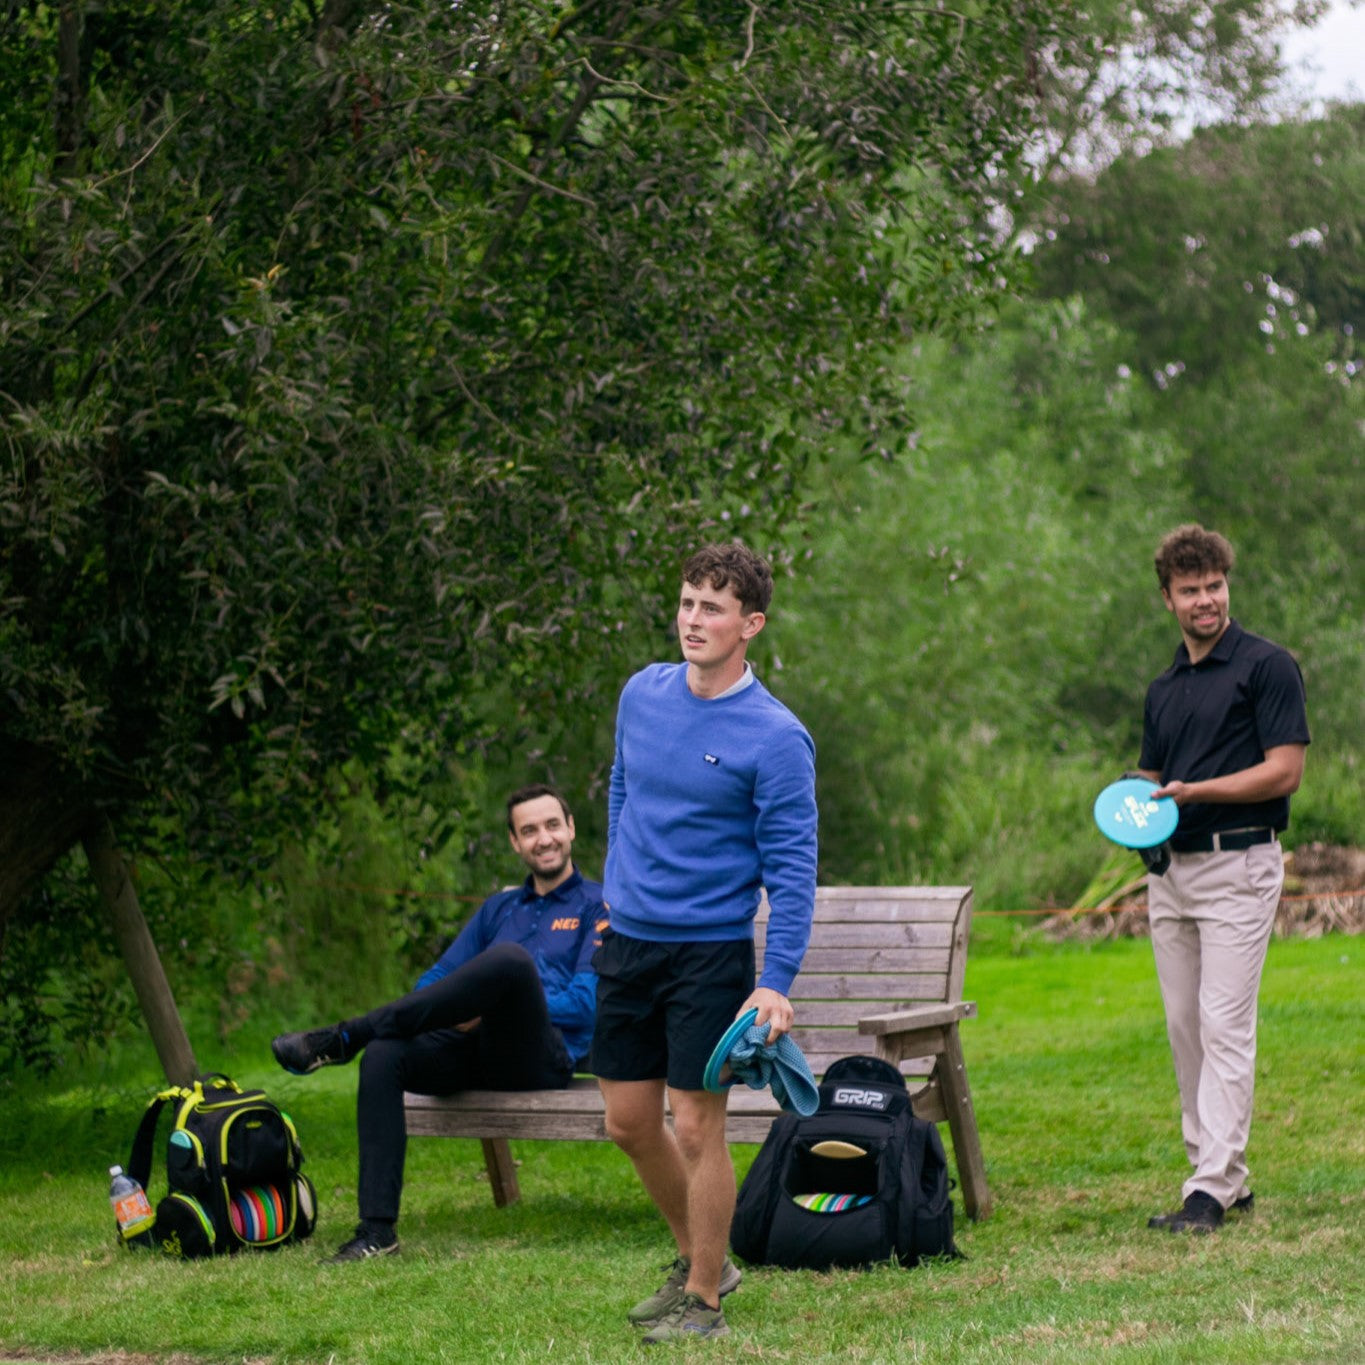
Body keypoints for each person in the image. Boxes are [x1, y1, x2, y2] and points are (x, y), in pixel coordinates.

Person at [593, 542, 818, 1343]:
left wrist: (776, 977)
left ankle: (704, 1300)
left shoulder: (776, 736)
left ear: (749, 624)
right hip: (628, 943)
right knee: (625, 1121)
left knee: (695, 1126)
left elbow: (793, 873)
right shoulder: (641, 693)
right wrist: (614, 885)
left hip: (710, 954)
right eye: (687, 601)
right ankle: (705, 1257)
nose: (692, 619)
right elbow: (623, 784)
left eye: (712, 608)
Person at [270, 784, 605, 1262]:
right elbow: (436, 978)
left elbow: (585, 1004)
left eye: (552, 825)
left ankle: (350, 1035)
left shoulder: (598, 905)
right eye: (529, 830)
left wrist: (494, 1003)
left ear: (570, 828)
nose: (543, 838)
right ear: (514, 842)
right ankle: (376, 1231)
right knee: (385, 1054)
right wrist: (458, 1008)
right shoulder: (499, 909)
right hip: (471, 1052)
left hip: (538, 1057)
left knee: (509, 964)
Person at [1133, 525, 1309, 1235]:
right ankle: (1221, 1176)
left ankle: (1207, 1190)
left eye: (1214, 585)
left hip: (1239, 863)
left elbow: (1284, 769)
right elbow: (1151, 776)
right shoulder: (1163, 686)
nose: (1205, 599)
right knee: (1184, 1030)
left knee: (1223, 1024)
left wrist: (1195, 791)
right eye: (1189, 589)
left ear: (1225, 585)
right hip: (1169, 873)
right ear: (1167, 598)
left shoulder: (1266, 666)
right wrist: (1129, 801)